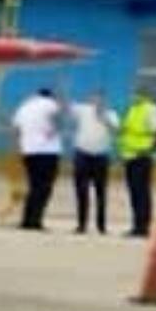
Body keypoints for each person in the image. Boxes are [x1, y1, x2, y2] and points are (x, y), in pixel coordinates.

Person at [117, 85, 156, 238]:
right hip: (129, 156)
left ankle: (142, 227)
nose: (134, 96)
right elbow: (126, 132)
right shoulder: (132, 109)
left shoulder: (149, 109)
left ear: (144, 95)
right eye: (134, 94)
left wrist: (149, 151)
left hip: (141, 157)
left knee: (141, 193)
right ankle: (136, 225)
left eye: (137, 94)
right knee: (134, 193)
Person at [11, 87, 63, 231]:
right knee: (44, 187)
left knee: (34, 186)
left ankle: (27, 219)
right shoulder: (50, 104)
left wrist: (19, 148)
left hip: (28, 151)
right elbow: (60, 116)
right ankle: (36, 220)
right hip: (47, 151)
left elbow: (15, 130)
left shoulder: (24, 107)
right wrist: (54, 130)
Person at [69, 89, 119, 236]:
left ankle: (101, 225)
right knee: (81, 191)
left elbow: (116, 130)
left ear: (104, 101)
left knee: (101, 192)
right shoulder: (83, 110)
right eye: (95, 99)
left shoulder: (110, 114)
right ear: (90, 99)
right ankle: (81, 224)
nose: (97, 102)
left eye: (101, 99)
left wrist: (103, 117)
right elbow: (66, 107)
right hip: (82, 154)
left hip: (101, 156)